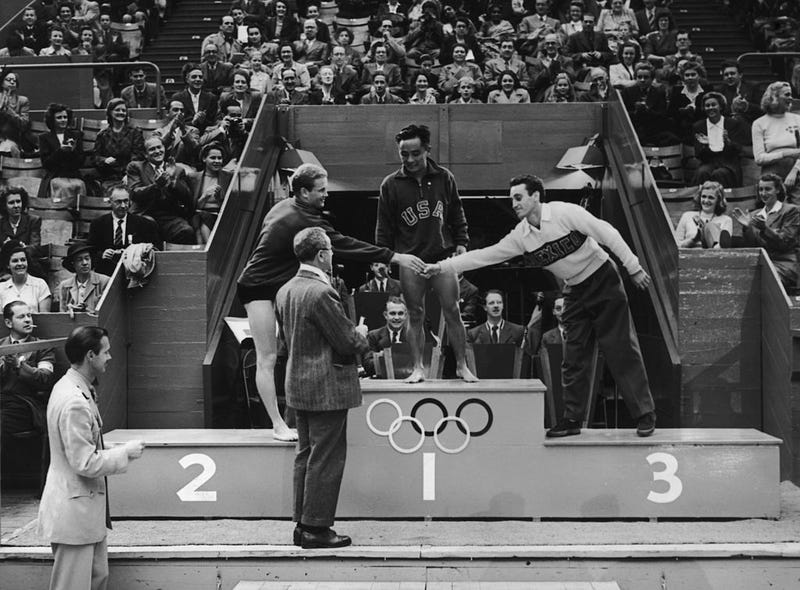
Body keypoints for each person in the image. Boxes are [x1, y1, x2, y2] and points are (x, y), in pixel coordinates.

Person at [423, 174, 657, 437]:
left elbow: (607, 232)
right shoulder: (521, 237)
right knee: (573, 356)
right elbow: (484, 256)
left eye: (519, 197)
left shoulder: (564, 213)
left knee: (620, 348)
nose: (514, 203)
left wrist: (633, 266)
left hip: (603, 278)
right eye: (511, 198)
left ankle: (645, 414)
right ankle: (572, 420)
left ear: (535, 196)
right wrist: (441, 266)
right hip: (574, 289)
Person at [237, 163, 425, 441]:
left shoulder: (285, 207)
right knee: (267, 357)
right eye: (321, 190)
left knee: (291, 352)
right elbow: (345, 244)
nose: (327, 195)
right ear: (303, 192)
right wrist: (395, 257)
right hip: (257, 287)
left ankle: (293, 417)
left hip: (281, 285)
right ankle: (277, 425)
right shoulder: (302, 219)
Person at [275, 226, 369, 549]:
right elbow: (347, 341)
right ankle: (317, 529)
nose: (332, 256)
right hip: (326, 387)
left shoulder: (285, 290)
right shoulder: (322, 293)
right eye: (330, 250)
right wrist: (363, 332)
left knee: (306, 455)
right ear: (321, 255)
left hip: (297, 385)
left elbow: (284, 343)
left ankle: (302, 526)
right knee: (326, 458)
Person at [37, 326, 145, 590]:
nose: (109, 357)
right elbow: (83, 462)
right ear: (90, 356)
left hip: (83, 514)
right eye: (105, 352)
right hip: (75, 513)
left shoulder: (72, 387)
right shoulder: (75, 400)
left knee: (96, 579)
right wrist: (125, 453)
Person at [377, 124, 476, 383]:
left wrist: (462, 241)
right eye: (404, 154)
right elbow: (384, 224)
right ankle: (418, 367)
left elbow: (457, 213)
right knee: (415, 313)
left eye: (415, 153)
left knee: (452, 310)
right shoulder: (390, 184)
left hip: (442, 257)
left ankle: (462, 366)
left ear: (427, 150)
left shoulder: (445, 177)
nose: (409, 159)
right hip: (410, 259)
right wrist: (383, 255)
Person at [733, 173, 800, 291]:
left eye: (768, 189)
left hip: (783, 263)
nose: (763, 193)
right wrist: (747, 228)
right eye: (761, 189)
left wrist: (765, 229)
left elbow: (786, 242)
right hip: (761, 263)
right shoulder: (754, 215)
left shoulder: (791, 211)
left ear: (778, 190)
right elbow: (753, 246)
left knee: (764, 280)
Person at [126, 136, 195, 244]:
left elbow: (187, 198)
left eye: (159, 147)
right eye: (152, 149)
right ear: (145, 154)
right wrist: (156, 186)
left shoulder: (177, 170)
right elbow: (135, 193)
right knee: (149, 225)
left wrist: (172, 181)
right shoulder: (136, 167)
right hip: (145, 213)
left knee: (186, 231)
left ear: (164, 148)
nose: (157, 151)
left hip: (169, 216)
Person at [0, 301, 54, 438]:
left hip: (26, 405)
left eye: (29, 315)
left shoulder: (42, 347)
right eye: (21, 317)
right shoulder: (1, 346)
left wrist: (19, 365)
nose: (28, 320)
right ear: (8, 323)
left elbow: (45, 378)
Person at [87, 186, 161, 276]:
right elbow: (90, 250)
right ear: (110, 202)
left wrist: (139, 251)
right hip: (106, 272)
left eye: (126, 201)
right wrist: (102, 255)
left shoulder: (144, 224)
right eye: (118, 202)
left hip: (134, 272)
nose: (123, 206)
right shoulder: (98, 224)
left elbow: (156, 249)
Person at [752, 81, 800, 203]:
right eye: (787, 94)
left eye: (791, 94)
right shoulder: (759, 123)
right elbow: (759, 159)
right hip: (771, 175)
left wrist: (794, 171)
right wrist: (786, 154)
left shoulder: (797, 119)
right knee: (774, 212)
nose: (791, 98)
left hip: (796, 170)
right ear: (774, 97)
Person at [692, 92, 749, 188]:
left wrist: (728, 142)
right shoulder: (699, 126)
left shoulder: (732, 123)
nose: (710, 108)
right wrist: (705, 145)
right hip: (709, 161)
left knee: (720, 174)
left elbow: (738, 150)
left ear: (721, 107)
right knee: (702, 172)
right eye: (707, 106)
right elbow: (698, 155)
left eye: (714, 105)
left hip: (728, 162)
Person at [92, 98, 145, 190]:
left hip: (131, 175)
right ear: (110, 112)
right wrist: (104, 160)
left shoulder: (135, 132)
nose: (121, 112)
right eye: (117, 110)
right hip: (110, 177)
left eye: (123, 110)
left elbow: (138, 156)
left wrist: (129, 174)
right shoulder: (102, 134)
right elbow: (95, 157)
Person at [38, 102, 85, 202]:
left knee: (79, 185)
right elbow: (46, 164)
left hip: (74, 174)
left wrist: (72, 151)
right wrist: (60, 152)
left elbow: (81, 161)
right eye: (59, 118)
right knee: (63, 186)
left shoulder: (76, 135)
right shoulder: (44, 138)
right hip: (55, 175)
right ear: (52, 120)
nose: (63, 120)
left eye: (65, 117)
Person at [674, 181, 733, 249]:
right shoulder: (687, 216)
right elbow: (676, 245)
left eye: (711, 198)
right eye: (703, 196)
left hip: (714, 256)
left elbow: (725, 246)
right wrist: (695, 239)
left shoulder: (726, 220)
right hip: (689, 255)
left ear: (718, 200)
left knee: (711, 229)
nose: (706, 200)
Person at [57, 241, 110, 313]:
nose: (85, 263)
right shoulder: (65, 285)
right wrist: (69, 311)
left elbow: (107, 314)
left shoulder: (104, 282)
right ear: (73, 264)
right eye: (79, 260)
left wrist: (85, 311)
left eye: (87, 258)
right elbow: (62, 316)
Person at [0, 241, 51, 311]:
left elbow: (45, 318)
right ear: (8, 265)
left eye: (23, 260)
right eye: (15, 261)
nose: (20, 263)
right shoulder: (1, 288)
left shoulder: (40, 285)